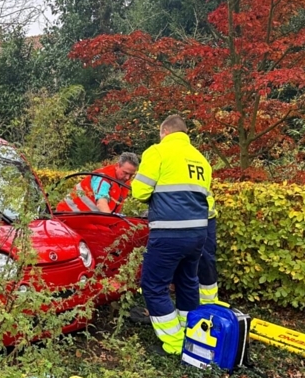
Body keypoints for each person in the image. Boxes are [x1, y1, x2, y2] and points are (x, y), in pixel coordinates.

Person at [132, 115, 212, 355]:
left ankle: (175, 344)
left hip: (169, 232)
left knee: (154, 285)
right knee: (187, 282)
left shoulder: (157, 152)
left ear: (163, 132)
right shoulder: (201, 160)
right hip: (198, 232)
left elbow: (140, 191)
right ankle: (191, 334)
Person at [57, 152, 140, 214]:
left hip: (86, 218)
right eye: (125, 173)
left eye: (131, 174)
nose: (127, 177)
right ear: (117, 166)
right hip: (67, 215)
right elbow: (101, 202)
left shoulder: (124, 183)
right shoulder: (103, 177)